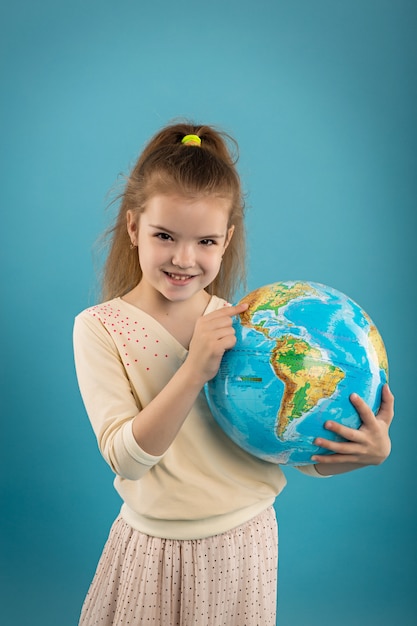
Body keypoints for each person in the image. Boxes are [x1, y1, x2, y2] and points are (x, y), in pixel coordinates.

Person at [73, 122, 394, 626]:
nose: (184, 258)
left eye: (205, 240)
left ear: (226, 241)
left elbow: (292, 451)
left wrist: (363, 454)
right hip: (152, 547)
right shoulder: (100, 328)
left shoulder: (250, 327)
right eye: (164, 236)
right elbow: (127, 460)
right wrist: (194, 370)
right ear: (133, 227)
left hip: (243, 548)